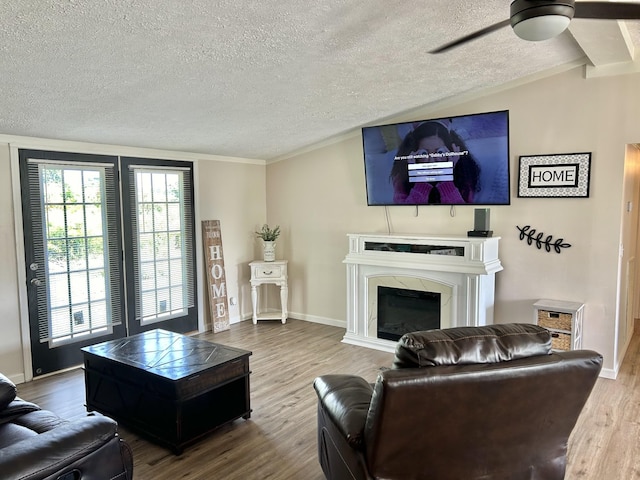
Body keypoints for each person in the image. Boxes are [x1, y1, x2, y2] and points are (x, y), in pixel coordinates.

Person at [389, 120, 480, 204]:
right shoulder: (402, 178)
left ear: (451, 152)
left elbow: (461, 215)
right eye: (423, 154)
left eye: (439, 153)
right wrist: (420, 180)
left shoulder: (463, 174)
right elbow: (406, 216)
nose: (431, 161)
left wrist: (446, 179)